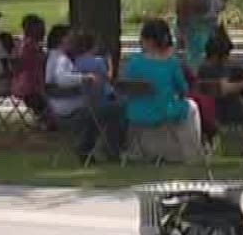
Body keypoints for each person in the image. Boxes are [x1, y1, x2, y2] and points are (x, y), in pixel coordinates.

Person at [121, 21, 202, 163]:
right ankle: (191, 151)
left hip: (136, 114)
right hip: (162, 112)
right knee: (192, 106)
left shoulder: (134, 62)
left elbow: (126, 85)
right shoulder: (171, 63)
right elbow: (184, 89)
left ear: (148, 40)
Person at [45, 26, 122, 163]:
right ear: (62, 39)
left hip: (61, 107)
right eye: (71, 36)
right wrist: (84, 77)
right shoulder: (60, 58)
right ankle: (109, 150)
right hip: (69, 109)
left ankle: (89, 148)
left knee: (99, 112)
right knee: (115, 110)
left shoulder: (55, 57)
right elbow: (61, 79)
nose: (74, 40)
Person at [12, 15, 49, 119]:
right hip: (32, 87)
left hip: (22, 86)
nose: (44, 32)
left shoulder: (20, 44)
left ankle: (43, 116)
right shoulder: (31, 47)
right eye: (41, 29)